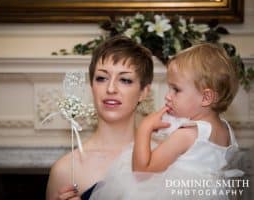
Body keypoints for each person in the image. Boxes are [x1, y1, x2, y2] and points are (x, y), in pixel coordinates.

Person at [90, 43, 244, 200]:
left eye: (176, 90)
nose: (168, 96)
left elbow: (141, 171)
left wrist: (145, 127)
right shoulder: (225, 130)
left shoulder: (187, 134)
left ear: (206, 98)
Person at [46, 35, 166, 200]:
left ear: (144, 92)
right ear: (92, 86)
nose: (110, 89)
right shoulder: (65, 169)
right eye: (102, 78)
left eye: (125, 80)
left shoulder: (164, 155)